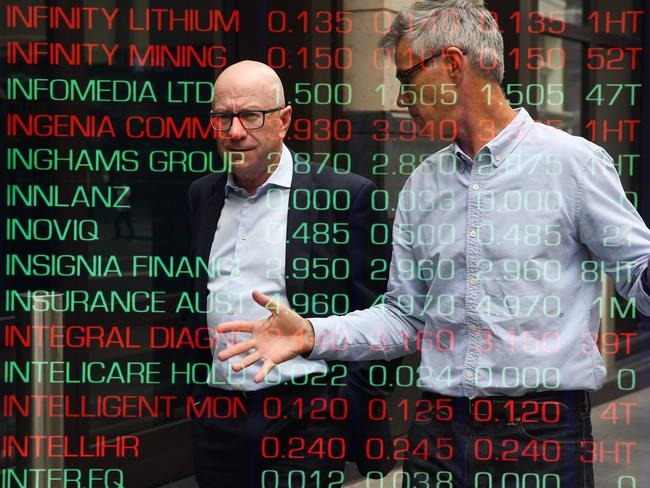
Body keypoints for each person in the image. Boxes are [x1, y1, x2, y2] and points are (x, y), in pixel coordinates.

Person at [216, 2, 650, 487]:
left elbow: (639, 273)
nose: (402, 99)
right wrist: (313, 335)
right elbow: (405, 318)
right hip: (436, 434)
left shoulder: (574, 165)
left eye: (406, 78)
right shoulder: (422, 183)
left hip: (542, 436)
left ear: (452, 64)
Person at [187, 60, 397, 488]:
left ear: (283, 121)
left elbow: (384, 316)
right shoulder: (202, 195)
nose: (235, 131)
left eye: (250, 115)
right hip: (218, 416)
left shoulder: (345, 196)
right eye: (223, 117)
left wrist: (348, 409)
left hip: (305, 419)